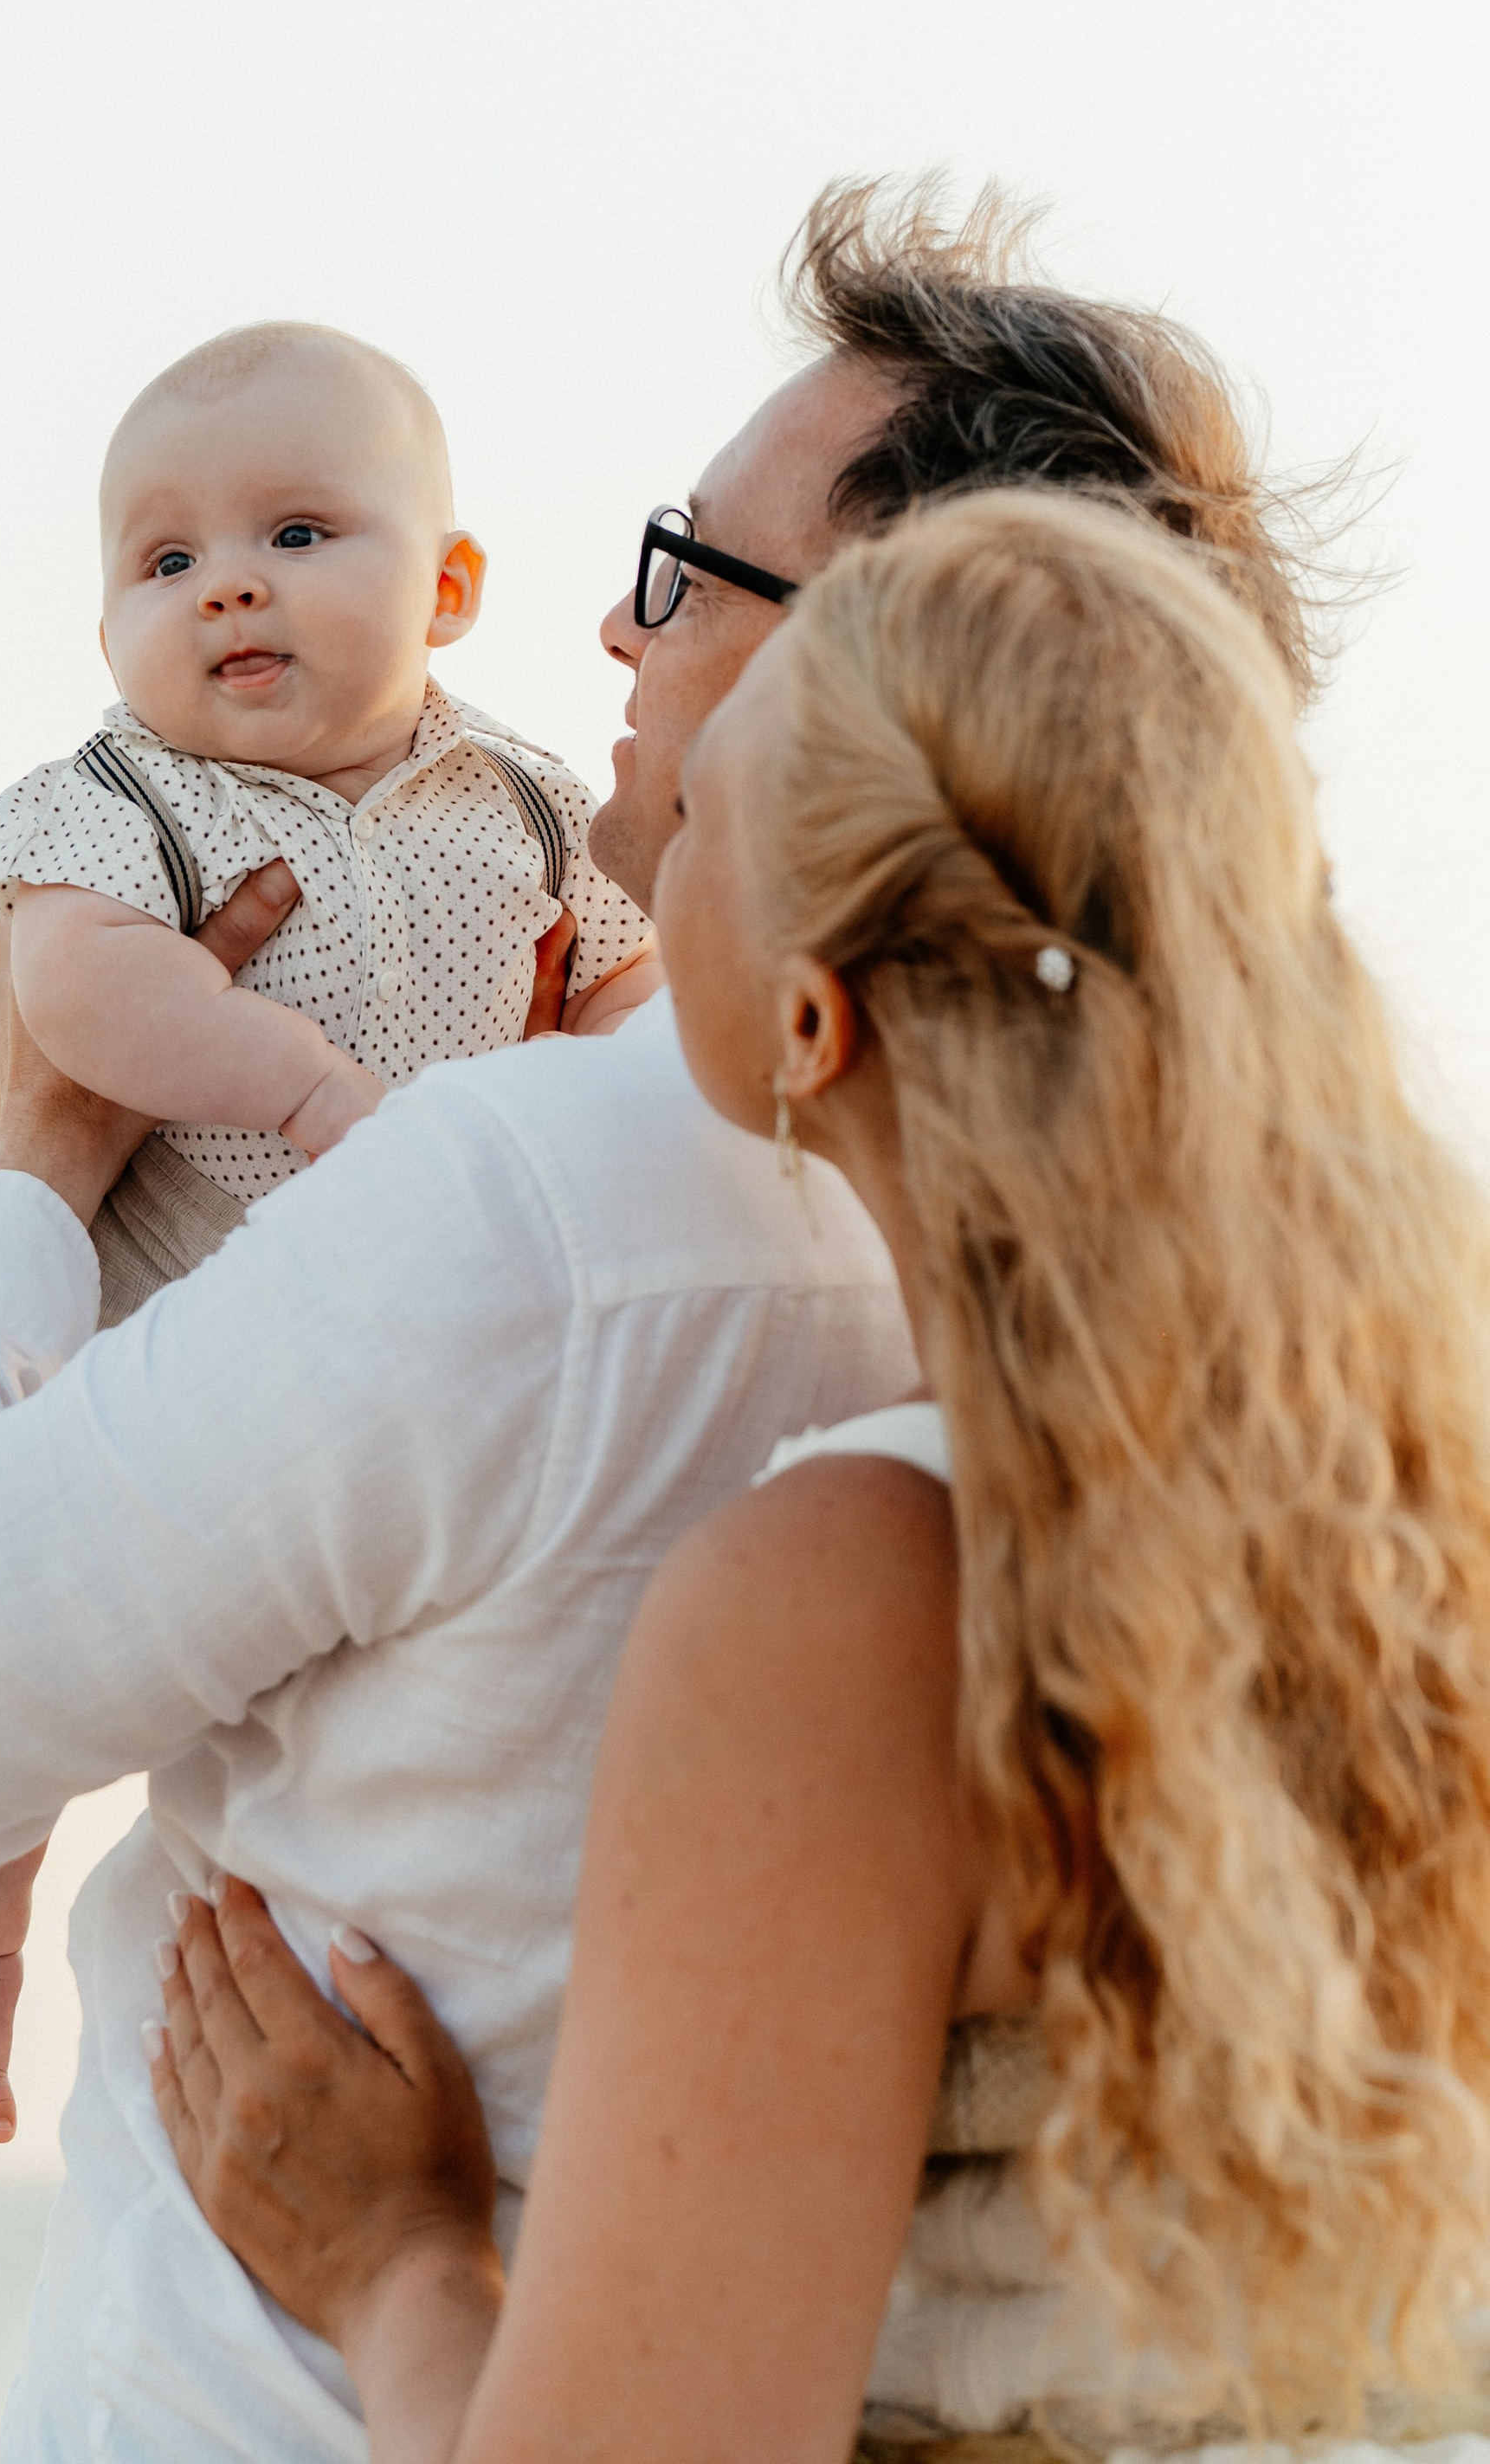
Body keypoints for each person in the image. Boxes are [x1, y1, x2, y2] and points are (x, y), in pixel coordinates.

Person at [0, 184, 1320, 2464]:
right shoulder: (1281, 1338)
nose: (617, 634)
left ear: (898, 677)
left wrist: (36, 1157)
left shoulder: (541, 1219)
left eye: (689, 570)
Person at [147, 489, 1490, 2464]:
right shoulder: (1419, 1500)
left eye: (695, 825)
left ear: (805, 1018)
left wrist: (394, 2264)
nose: (653, 854)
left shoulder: (860, 1590)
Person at [0, 319, 654, 2142]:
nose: (226, 583)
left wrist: (617, 1105)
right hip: (160, 1292)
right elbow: (72, 987)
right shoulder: (122, 798)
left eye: (296, 535)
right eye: (165, 560)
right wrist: (302, 1089)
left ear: (447, 589)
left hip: (416, 1333)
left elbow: (630, 993)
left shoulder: (534, 800)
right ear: (107, 631)